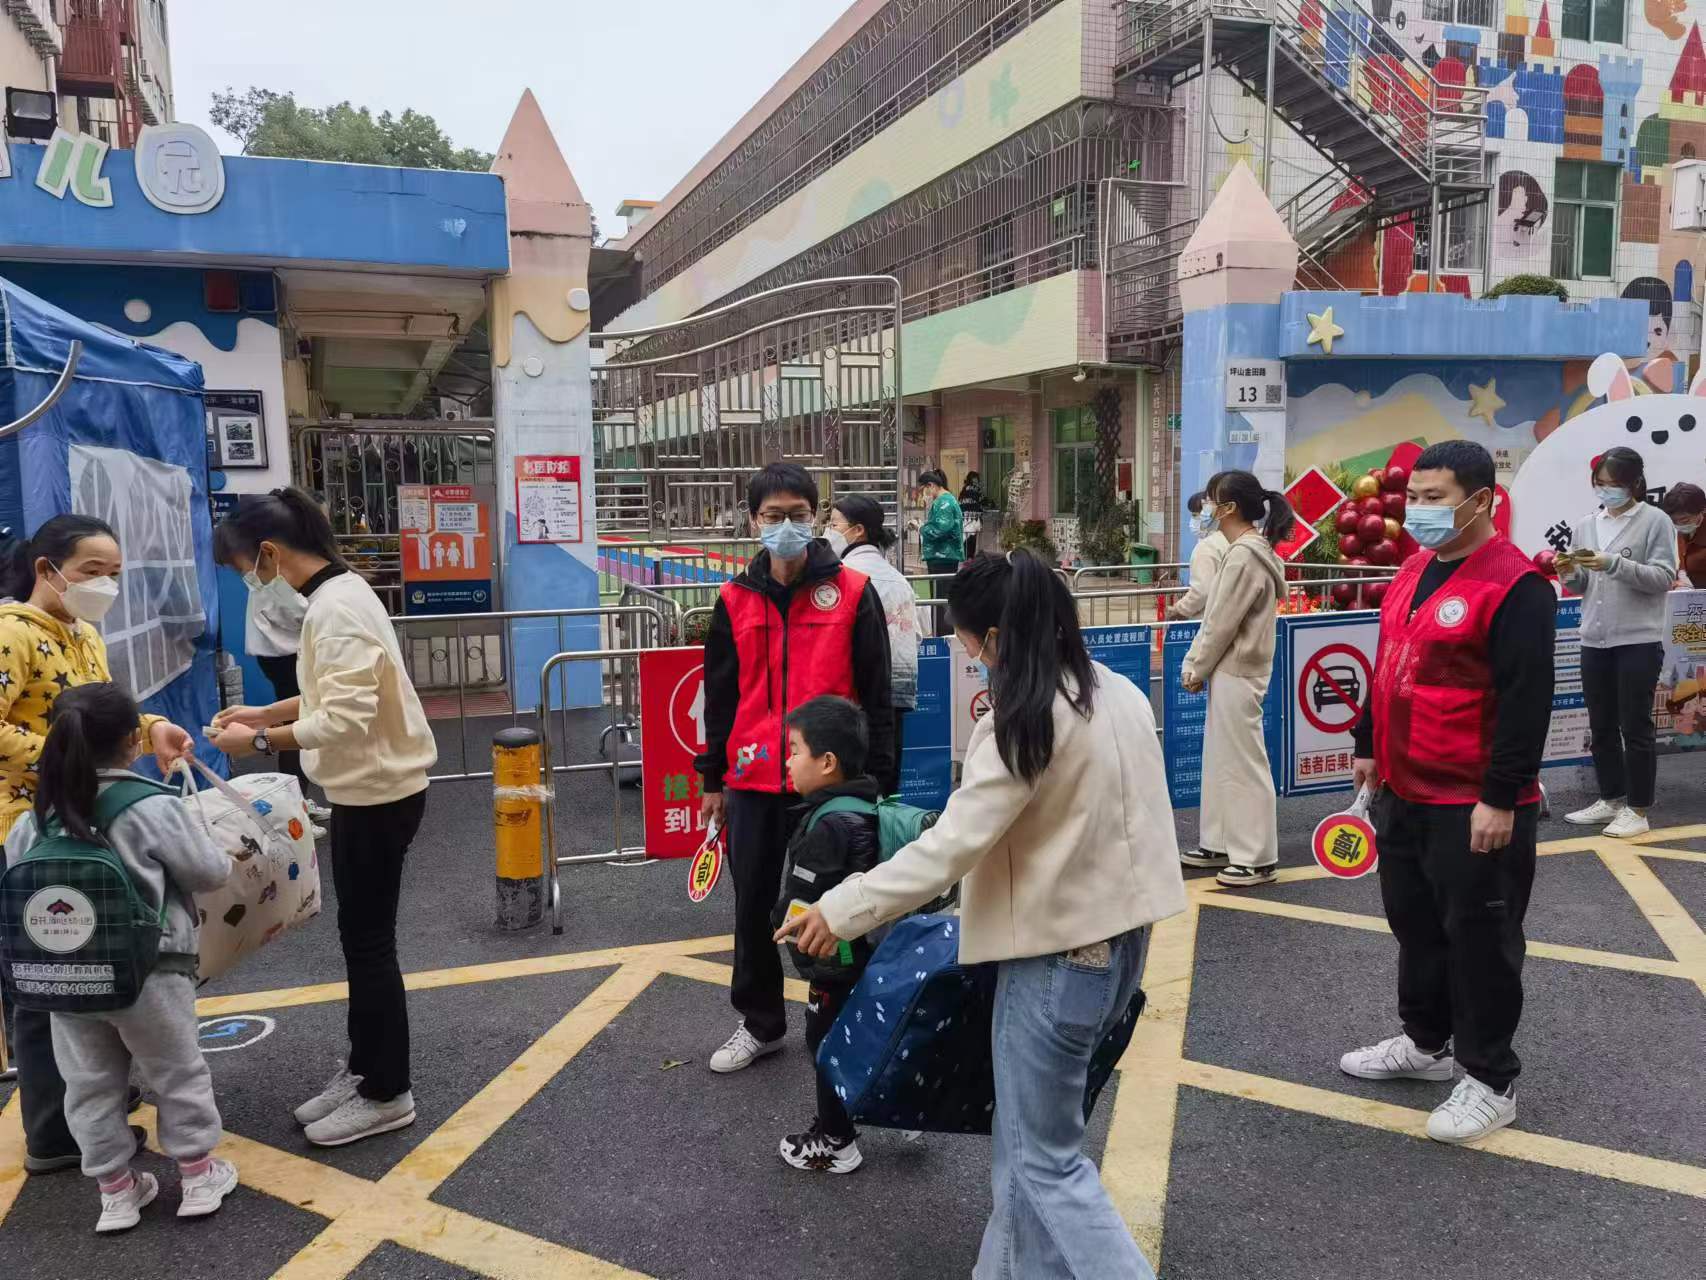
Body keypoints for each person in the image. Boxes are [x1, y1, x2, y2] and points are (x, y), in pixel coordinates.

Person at [778, 551, 1186, 1279]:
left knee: (1046, 1165)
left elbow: (947, 850)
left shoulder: (1021, 722)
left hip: (1057, 960)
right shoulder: (1119, 693)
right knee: (1024, 1150)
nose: (967, 653)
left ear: (994, 638)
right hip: (1122, 946)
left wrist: (841, 907)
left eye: (967, 640)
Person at [207, 488, 437, 1147]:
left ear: (271, 554)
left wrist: (251, 743)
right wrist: (262, 715)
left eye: (244, 570)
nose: (248, 584)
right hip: (374, 791)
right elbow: (323, 694)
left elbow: (341, 719)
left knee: (368, 944)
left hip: (377, 795)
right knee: (360, 938)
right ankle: (366, 1068)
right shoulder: (339, 595)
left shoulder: (335, 610)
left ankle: (388, 1090)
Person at [1343, 440, 1555, 1146]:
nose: (1419, 511)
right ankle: (1426, 1043)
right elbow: (1388, 664)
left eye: (1436, 499)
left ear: (1481, 501)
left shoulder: (1515, 585)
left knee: (1481, 940)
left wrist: (1500, 795)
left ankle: (1491, 1080)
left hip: (1472, 801)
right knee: (1417, 928)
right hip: (1404, 789)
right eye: (1416, 497)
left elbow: (1528, 700)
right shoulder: (1411, 571)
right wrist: (1369, 744)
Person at [0, 515, 196, 1175]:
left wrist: (154, 725)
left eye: (114, 574)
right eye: (91, 572)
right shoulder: (11, 633)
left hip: (90, 825)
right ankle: (54, 1131)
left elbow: (99, 711)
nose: (105, 586)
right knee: (44, 977)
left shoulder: (84, 632)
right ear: (47, 570)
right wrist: (66, 758)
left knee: (101, 957)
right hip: (29, 830)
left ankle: (102, 1107)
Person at [4, 683, 237, 1232]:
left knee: (87, 1084)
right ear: (134, 742)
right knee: (176, 1072)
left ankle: (116, 1191)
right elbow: (209, 872)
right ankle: (199, 1176)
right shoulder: (150, 804)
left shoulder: (31, 822)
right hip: (150, 973)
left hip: (64, 977)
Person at [696, 463, 894, 1074]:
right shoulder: (733, 599)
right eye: (773, 515)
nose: (786, 526)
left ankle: (852, 1022)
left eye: (798, 514)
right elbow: (720, 696)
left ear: (817, 516)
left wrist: (880, 786)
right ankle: (760, 1022)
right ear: (753, 520)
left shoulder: (855, 595)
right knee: (753, 902)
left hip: (833, 783)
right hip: (755, 776)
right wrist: (712, 780)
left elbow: (878, 696)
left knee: (844, 904)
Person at [769, 696, 882, 1174]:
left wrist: (782, 923)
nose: (788, 760)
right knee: (868, 1036)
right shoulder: (861, 805)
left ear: (827, 762)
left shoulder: (829, 824)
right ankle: (892, 1111)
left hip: (835, 963)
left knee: (825, 1043)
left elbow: (801, 903)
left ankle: (836, 1140)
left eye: (794, 749)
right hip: (867, 954)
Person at [1177, 472, 1292, 887]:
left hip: (1237, 667)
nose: (1205, 508)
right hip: (1235, 667)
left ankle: (1256, 856)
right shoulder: (1247, 550)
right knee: (1224, 759)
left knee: (1241, 763)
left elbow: (1221, 621)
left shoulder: (1243, 555)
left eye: (1211, 501)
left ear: (1229, 508)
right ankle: (1221, 842)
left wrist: (1195, 665)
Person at [1559, 447, 1678, 839]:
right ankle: (1610, 798)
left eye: (1614, 485)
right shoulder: (1585, 525)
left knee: (1636, 725)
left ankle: (1638, 808)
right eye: (1600, 484)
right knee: (1602, 724)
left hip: (1638, 639)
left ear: (1634, 484)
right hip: (1594, 638)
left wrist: (1614, 564)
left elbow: (1663, 577)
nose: (1606, 491)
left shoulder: (1655, 521)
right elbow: (1580, 586)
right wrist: (1568, 572)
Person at [213, 521, 331, 839]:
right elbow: (298, 614)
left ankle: (298, 801)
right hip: (283, 656)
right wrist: (258, 735)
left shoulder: (279, 573)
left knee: (299, 721)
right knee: (298, 727)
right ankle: (294, 805)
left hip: (283, 655)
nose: (244, 576)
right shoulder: (275, 577)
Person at [825, 494, 918, 793]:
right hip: (896, 696)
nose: (828, 530)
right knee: (884, 783)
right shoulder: (898, 580)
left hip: (854, 695)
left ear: (858, 530)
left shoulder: (844, 579)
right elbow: (917, 635)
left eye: (834, 523)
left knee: (848, 783)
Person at [1169, 490, 1230, 621]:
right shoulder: (1238, 539)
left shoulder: (1208, 547)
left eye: (1197, 515)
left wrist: (1179, 610)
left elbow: (1202, 591)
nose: (1194, 520)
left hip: (1212, 619)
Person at [918, 469, 964, 635]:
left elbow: (940, 529)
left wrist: (921, 528)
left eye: (925, 489)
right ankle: (943, 631)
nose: (925, 494)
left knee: (941, 599)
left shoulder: (943, 502)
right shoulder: (947, 500)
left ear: (931, 486)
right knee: (941, 597)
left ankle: (943, 635)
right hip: (943, 556)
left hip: (942, 557)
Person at [1662, 482, 1706, 588]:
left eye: (1684, 520)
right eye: (1674, 520)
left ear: (1702, 510)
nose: (1679, 525)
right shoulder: (1684, 531)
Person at [959, 470, 986, 561]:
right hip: (973, 518)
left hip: (964, 519)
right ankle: (970, 559)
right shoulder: (976, 490)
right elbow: (982, 503)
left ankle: (965, 559)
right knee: (972, 540)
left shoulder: (963, 490)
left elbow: (960, 503)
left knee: (965, 539)